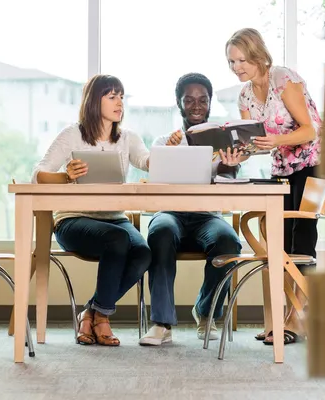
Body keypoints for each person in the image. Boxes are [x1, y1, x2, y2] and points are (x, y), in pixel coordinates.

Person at [32, 74, 151, 347]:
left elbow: (146, 160)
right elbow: (37, 174)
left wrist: (167, 152)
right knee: (118, 240)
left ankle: (92, 312)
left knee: (143, 253)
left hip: (114, 220)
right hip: (73, 221)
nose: (119, 102)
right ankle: (103, 319)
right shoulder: (72, 134)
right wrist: (65, 176)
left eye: (121, 96)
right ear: (93, 102)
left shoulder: (127, 138)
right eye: (112, 96)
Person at [226, 28, 323, 345]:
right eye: (231, 62)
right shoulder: (244, 96)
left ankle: (294, 318)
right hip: (282, 167)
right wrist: (239, 151)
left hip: (316, 162)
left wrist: (276, 140)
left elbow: (309, 130)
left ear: (256, 54)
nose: (237, 67)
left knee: (301, 236)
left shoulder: (283, 79)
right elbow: (258, 144)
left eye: (242, 60)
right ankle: (284, 318)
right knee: (277, 239)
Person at [139, 73, 243, 346]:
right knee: (159, 233)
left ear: (210, 103)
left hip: (207, 216)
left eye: (203, 100)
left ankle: (206, 312)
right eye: (189, 100)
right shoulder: (165, 141)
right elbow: (154, 183)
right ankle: (162, 323)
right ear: (179, 104)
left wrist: (227, 165)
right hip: (169, 214)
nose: (196, 105)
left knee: (228, 240)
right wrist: (167, 155)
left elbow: (229, 185)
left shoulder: (223, 141)